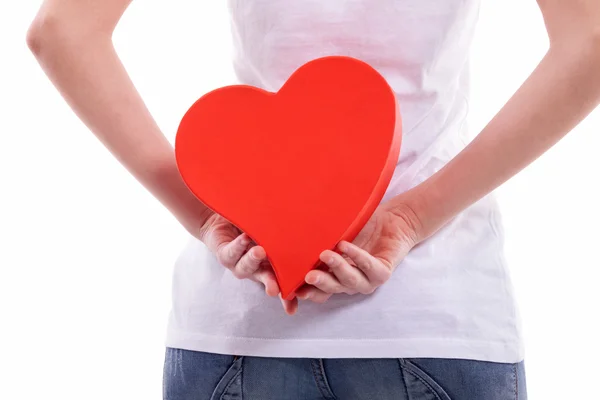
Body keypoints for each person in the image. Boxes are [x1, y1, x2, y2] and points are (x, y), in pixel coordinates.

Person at [26, 0, 600, 399]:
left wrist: (206, 218)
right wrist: (409, 215)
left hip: (241, 321)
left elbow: (60, 30)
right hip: (437, 315)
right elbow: (591, 41)